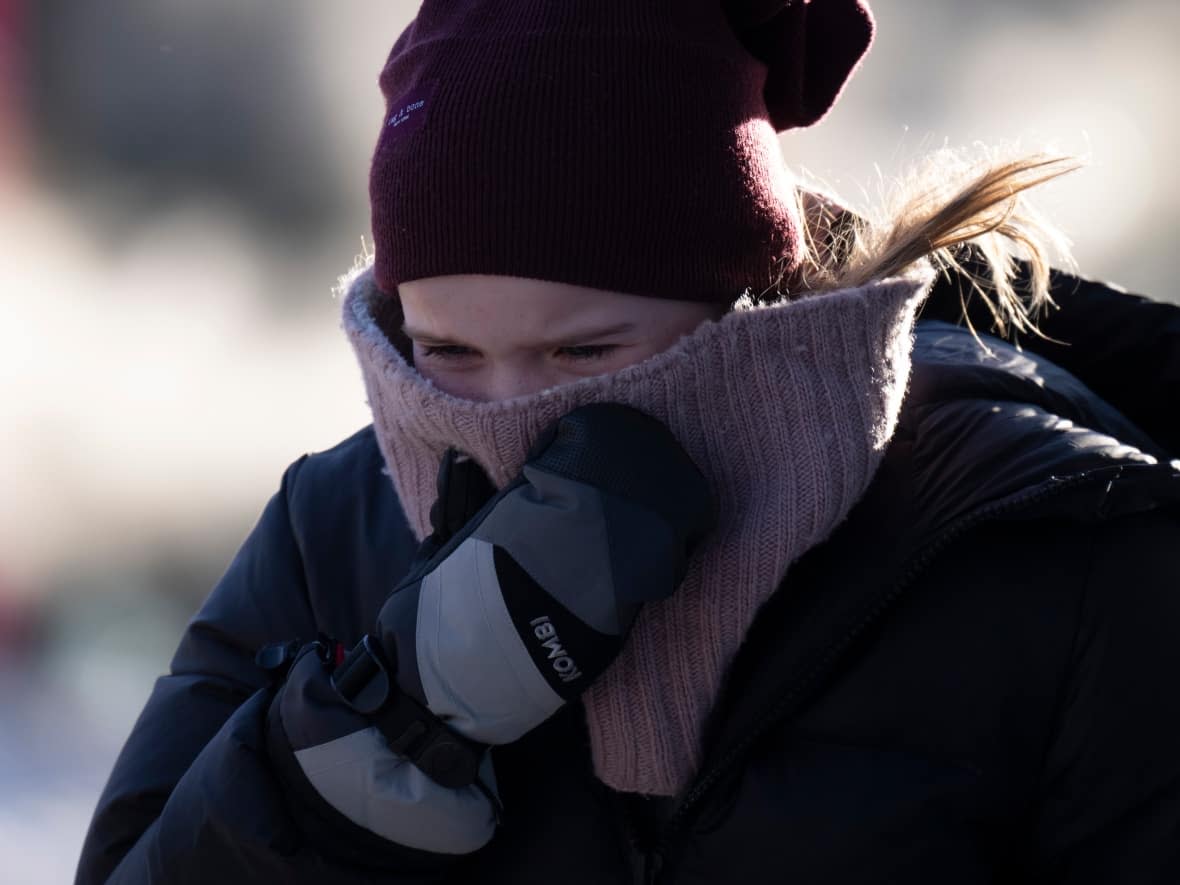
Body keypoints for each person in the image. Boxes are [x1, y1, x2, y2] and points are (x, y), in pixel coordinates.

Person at [76, 1, 1180, 882]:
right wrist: (368, 739)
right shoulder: (335, 529)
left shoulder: (1047, 546)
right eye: (448, 353)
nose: (506, 417)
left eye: (582, 355)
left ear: (744, 305)